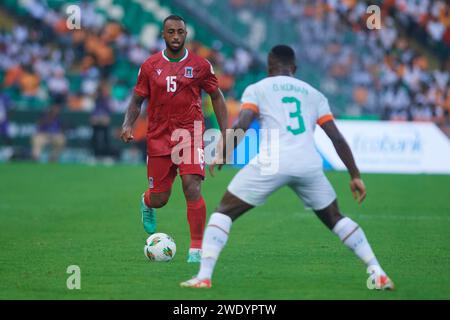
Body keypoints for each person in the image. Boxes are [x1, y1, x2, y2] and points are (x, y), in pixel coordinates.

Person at [180, 45, 394, 289]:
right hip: (308, 164)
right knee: (336, 218)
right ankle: (378, 272)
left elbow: (244, 121)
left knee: (223, 212)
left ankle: (204, 276)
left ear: (269, 67)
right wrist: (355, 175)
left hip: (273, 162)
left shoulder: (258, 88)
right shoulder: (314, 94)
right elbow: (336, 138)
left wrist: (224, 153)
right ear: (294, 68)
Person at [120, 15, 228, 263]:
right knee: (160, 198)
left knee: (192, 186)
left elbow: (217, 97)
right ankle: (146, 202)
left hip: (189, 135)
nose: (176, 37)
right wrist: (128, 124)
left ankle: (197, 249)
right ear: (163, 34)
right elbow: (137, 100)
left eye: (180, 32)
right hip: (158, 137)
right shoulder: (149, 66)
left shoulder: (201, 65)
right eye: (171, 32)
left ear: (186, 34)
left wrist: (225, 134)